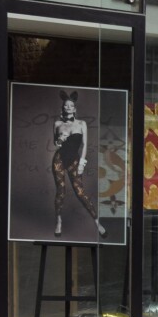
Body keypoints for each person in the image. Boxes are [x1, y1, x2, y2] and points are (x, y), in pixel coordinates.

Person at [51, 90, 105, 239]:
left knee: (80, 192)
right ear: (63, 107)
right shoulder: (57, 124)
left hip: (74, 160)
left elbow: (85, 144)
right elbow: (56, 144)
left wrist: (82, 163)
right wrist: (60, 139)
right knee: (61, 192)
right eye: (66, 105)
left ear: (75, 109)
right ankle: (58, 221)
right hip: (59, 160)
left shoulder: (82, 124)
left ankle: (97, 223)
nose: (68, 107)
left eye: (71, 105)